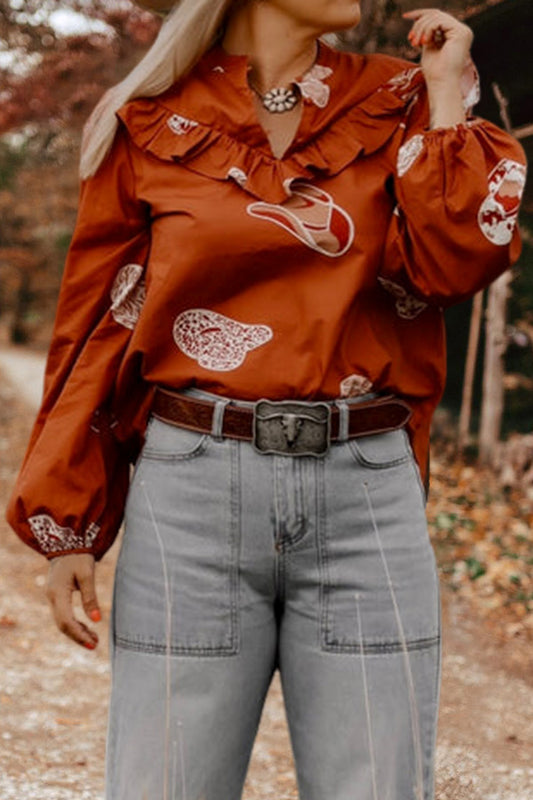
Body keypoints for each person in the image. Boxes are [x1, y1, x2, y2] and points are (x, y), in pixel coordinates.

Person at [6, 1, 526, 798]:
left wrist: (448, 98)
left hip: (366, 493)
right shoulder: (149, 122)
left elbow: (453, 267)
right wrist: (68, 519)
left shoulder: (405, 100)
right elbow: (99, 323)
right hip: (189, 495)